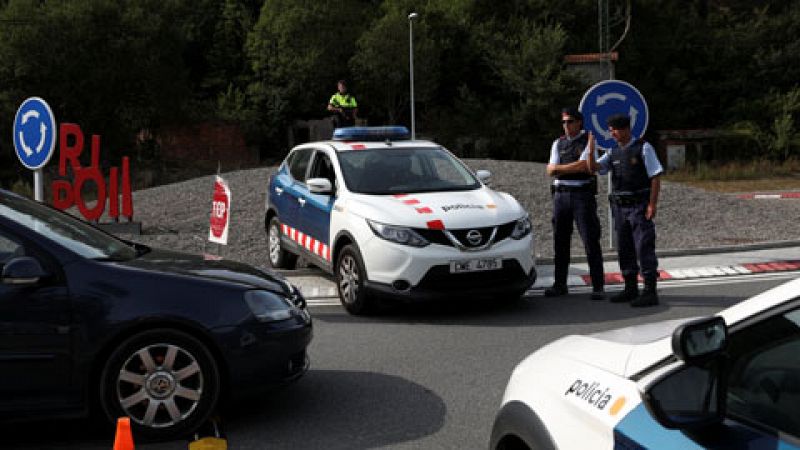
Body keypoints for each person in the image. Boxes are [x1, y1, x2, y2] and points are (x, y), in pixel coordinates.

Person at [587, 113, 664, 307]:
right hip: (620, 208)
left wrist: (652, 204)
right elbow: (594, 168)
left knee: (643, 247)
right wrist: (590, 150)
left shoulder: (643, 148)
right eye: (611, 130)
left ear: (626, 129)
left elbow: (655, 177)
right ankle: (630, 287)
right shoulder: (613, 153)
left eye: (615, 130)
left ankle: (649, 290)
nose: (612, 134)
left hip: (639, 206)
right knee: (625, 248)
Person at [544, 107, 605, 301]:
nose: (566, 126)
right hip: (561, 196)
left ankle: (598, 286)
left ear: (579, 122)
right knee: (560, 242)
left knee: (590, 240)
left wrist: (560, 169)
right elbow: (550, 171)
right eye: (563, 122)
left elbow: (585, 166)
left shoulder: (589, 140)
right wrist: (565, 169)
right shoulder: (558, 143)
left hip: (582, 195)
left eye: (570, 121)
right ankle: (560, 284)